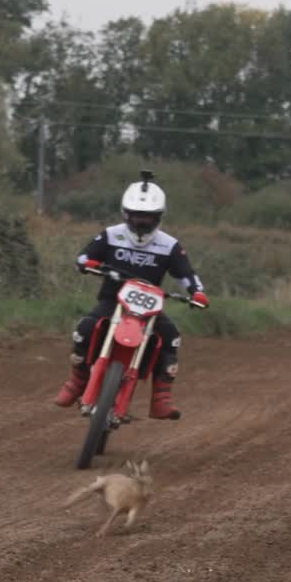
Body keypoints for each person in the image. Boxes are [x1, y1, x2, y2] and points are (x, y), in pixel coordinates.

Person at [55, 172, 209, 420]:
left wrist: (197, 292)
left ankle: (161, 399)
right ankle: (77, 380)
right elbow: (84, 257)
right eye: (136, 215)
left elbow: (186, 274)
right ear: (126, 213)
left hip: (150, 309)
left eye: (147, 216)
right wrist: (86, 262)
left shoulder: (169, 245)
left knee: (171, 337)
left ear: (158, 216)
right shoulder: (111, 235)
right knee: (85, 327)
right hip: (112, 302)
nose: (141, 221)